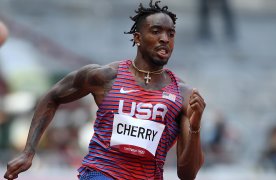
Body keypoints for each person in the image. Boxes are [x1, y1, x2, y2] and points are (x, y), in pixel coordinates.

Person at [4, 0, 206, 179]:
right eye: (156, 31)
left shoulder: (183, 95)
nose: (165, 39)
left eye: (170, 34)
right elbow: (52, 97)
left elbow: (187, 175)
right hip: (100, 173)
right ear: (137, 38)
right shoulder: (105, 77)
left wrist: (195, 127)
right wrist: (28, 152)